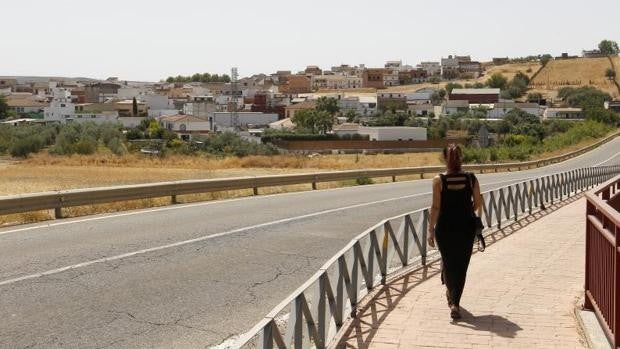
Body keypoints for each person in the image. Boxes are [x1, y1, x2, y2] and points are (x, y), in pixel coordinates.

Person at [427, 144, 482, 320]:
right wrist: (466, 210)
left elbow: (435, 207)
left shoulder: (438, 180)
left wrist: (430, 230)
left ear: (444, 159)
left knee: (450, 263)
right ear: (461, 157)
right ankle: (455, 302)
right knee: (461, 266)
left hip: (445, 228)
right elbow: (478, 202)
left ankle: (452, 300)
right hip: (466, 227)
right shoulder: (471, 179)